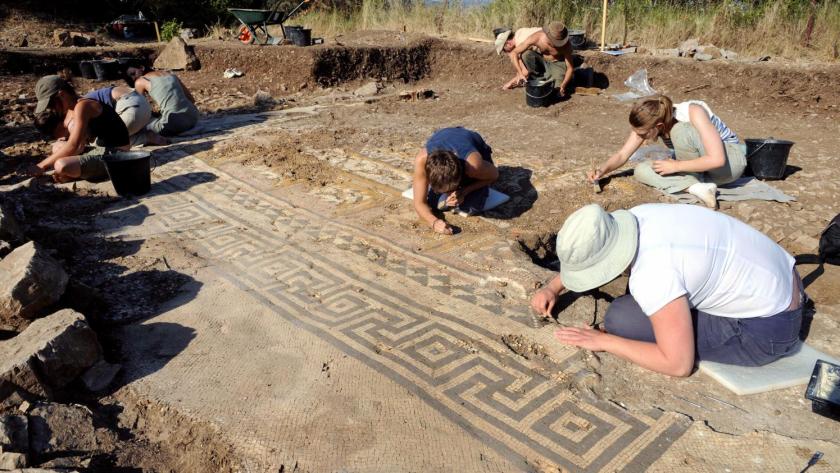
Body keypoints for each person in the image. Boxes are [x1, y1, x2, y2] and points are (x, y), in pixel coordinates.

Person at [531, 203, 804, 377]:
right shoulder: (641, 214)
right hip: (784, 278)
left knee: (621, 319)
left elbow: (677, 365)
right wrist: (554, 286)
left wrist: (603, 341)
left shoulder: (653, 275)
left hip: (768, 330)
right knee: (634, 305)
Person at [588, 95, 746, 208]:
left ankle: (690, 183)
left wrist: (676, 167)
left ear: (659, 127)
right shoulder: (652, 121)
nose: (640, 137)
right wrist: (602, 170)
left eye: (643, 134)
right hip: (700, 170)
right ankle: (697, 188)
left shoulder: (693, 112)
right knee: (641, 170)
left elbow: (717, 159)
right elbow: (622, 155)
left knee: (680, 131)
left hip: (729, 165)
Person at [29, 75, 129, 182]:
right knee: (57, 146)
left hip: (118, 155)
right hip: (102, 150)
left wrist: (41, 165)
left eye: (51, 105)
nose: (52, 110)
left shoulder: (83, 106)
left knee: (61, 165)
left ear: (61, 95)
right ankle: (76, 172)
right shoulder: (73, 109)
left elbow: (74, 145)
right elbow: (80, 145)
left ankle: (76, 174)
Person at [412, 127, 499, 235]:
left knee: (471, 206)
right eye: (442, 190)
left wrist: (465, 191)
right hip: (445, 134)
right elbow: (419, 203)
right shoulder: (422, 160)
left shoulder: (473, 166)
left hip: (471, 145)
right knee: (433, 204)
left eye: (451, 188)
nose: (448, 193)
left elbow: (494, 175)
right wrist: (434, 222)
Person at [495, 22, 575, 96]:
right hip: (543, 59)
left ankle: (562, 78)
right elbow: (514, 53)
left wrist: (563, 85)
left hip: (557, 63)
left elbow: (570, 68)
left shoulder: (566, 46)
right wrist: (520, 73)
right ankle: (539, 77)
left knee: (554, 91)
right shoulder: (538, 37)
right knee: (526, 54)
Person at [125, 66, 199, 143]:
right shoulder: (170, 74)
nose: (133, 78)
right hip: (193, 117)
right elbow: (191, 99)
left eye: (133, 73)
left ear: (142, 68)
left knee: (135, 128)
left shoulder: (140, 81)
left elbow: (139, 111)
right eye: (130, 76)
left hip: (176, 124)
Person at [83, 85, 165, 144]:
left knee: (99, 143)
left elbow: (89, 135)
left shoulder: (81, 106)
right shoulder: (87, 98)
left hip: (130, 108)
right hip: (143, 104)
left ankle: (145, 138)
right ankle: (145, 134)